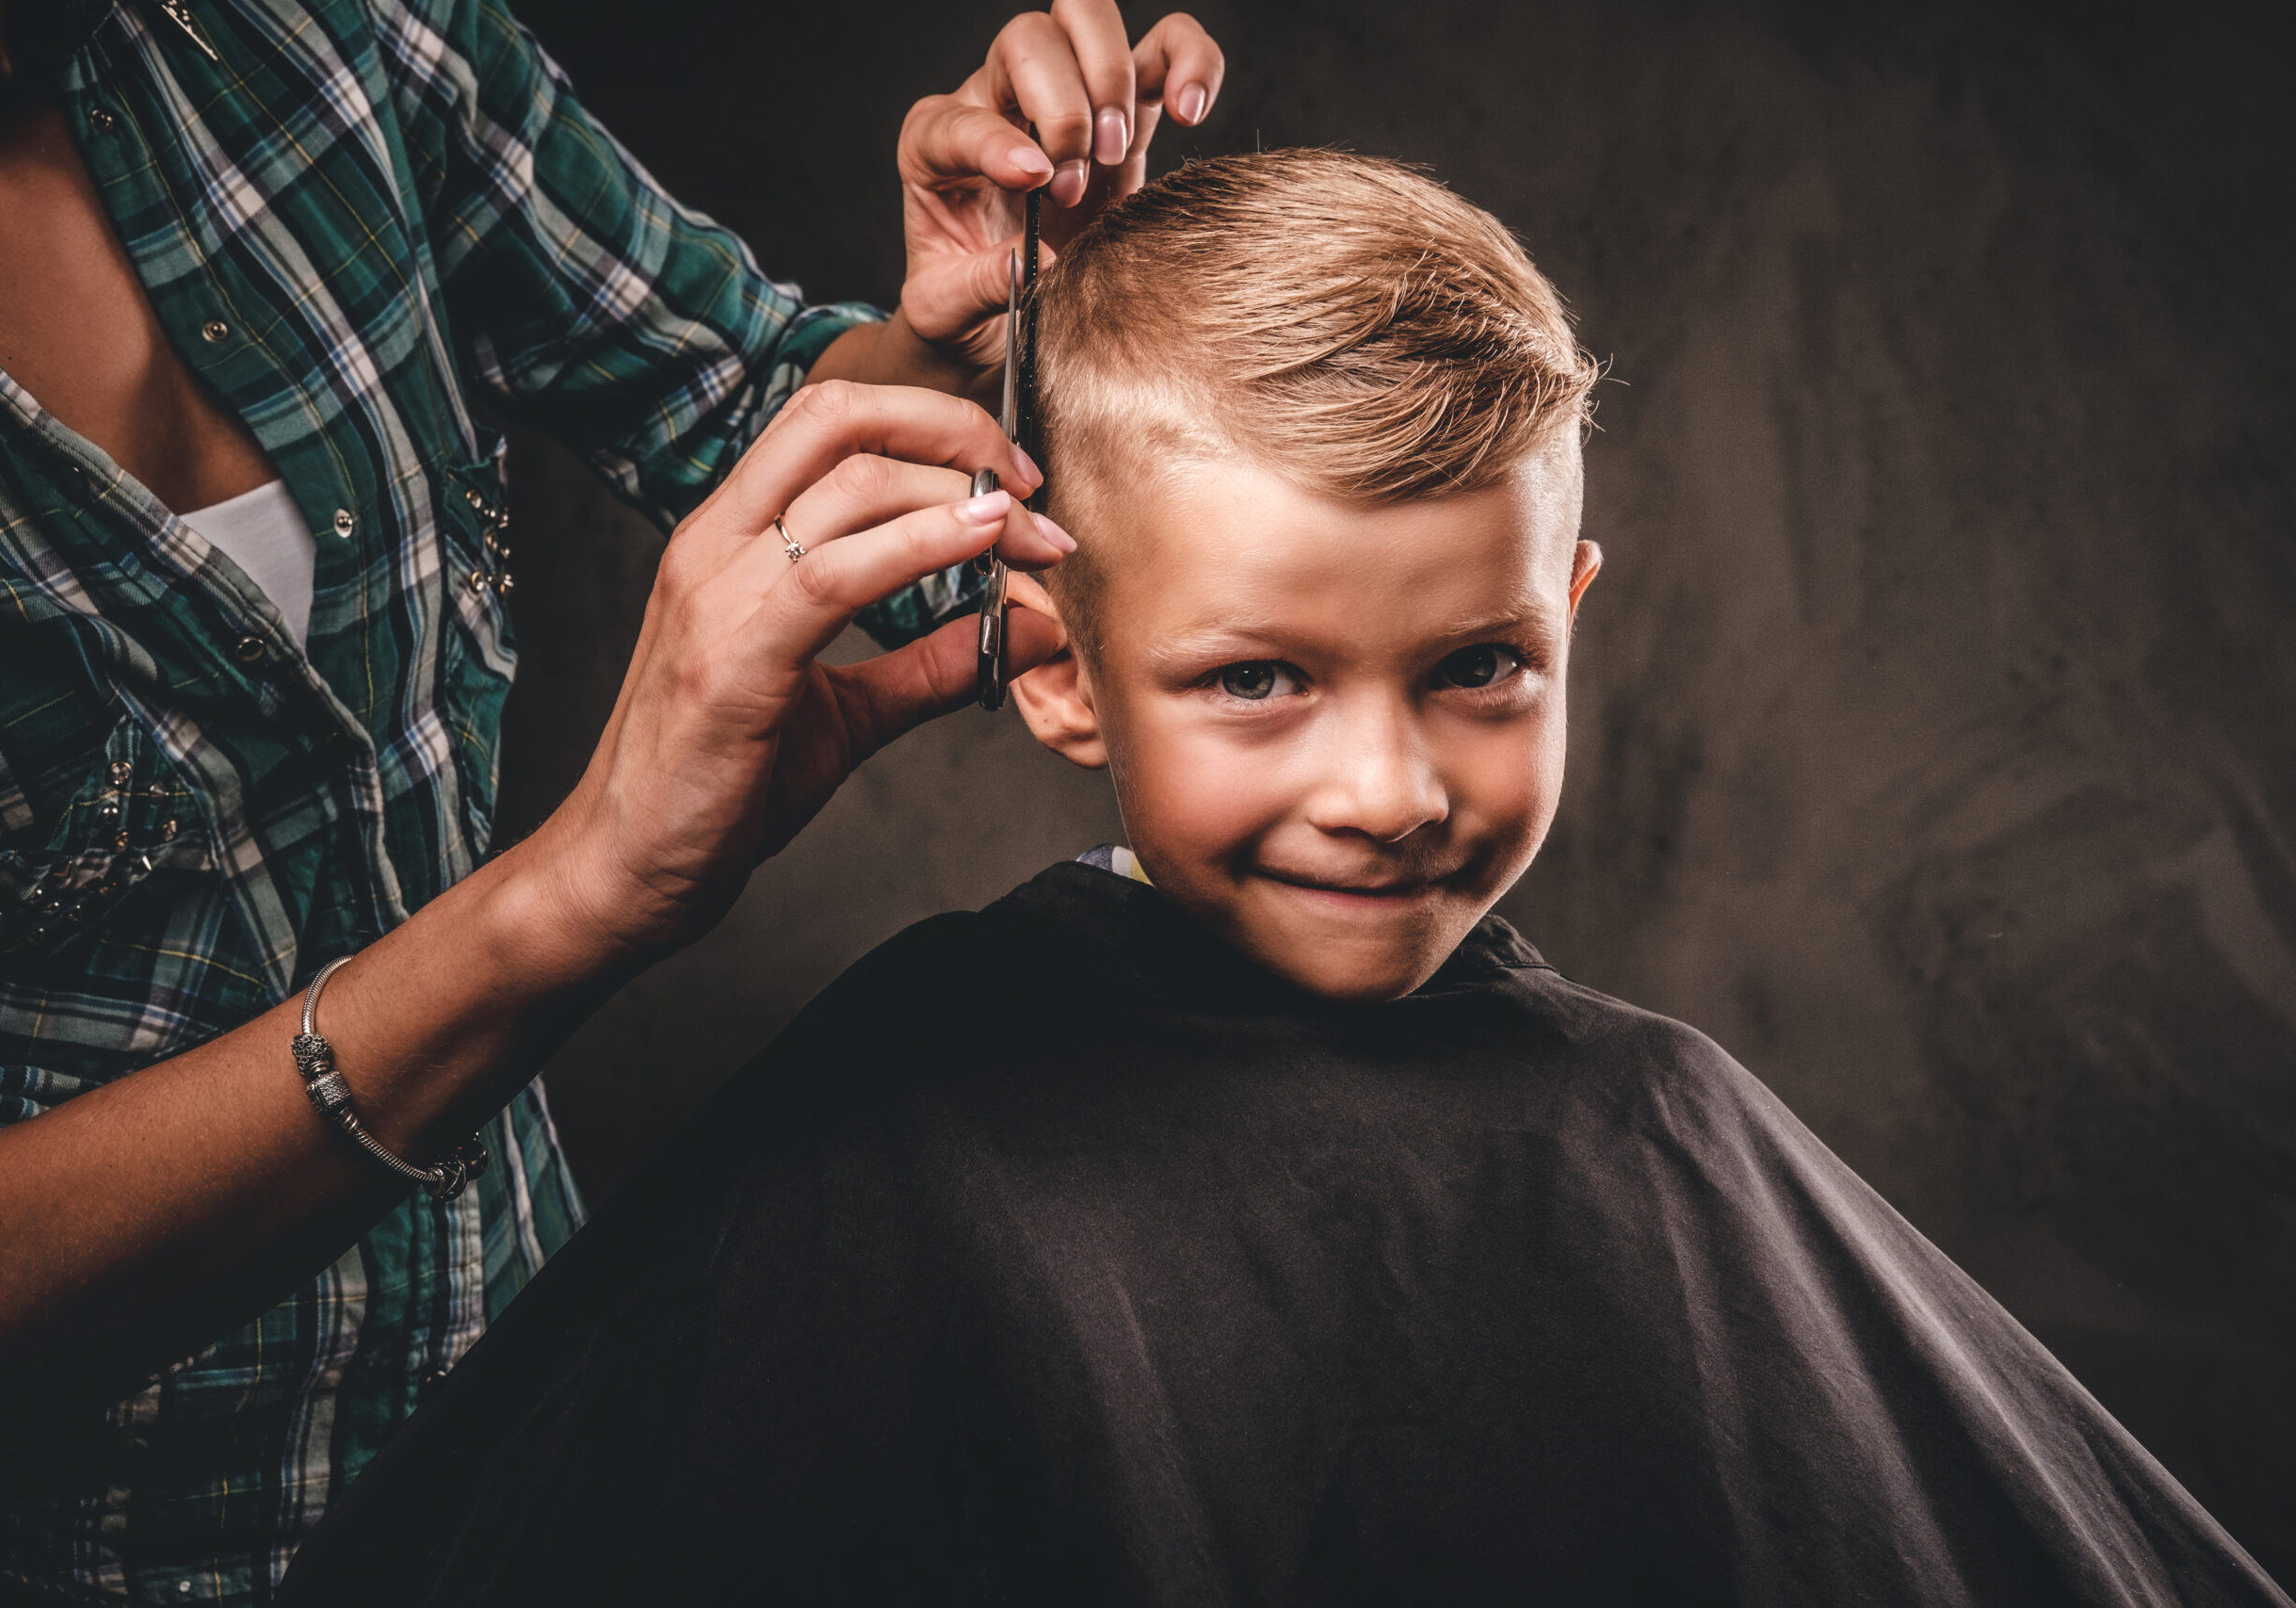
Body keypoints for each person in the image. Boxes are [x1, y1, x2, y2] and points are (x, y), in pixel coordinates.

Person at [276, 151, 2290, 1606]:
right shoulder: (908, 1140)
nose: (1389, 787)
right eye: (1257, 677)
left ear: (1568, 617)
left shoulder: (1657, 1121)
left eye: (1477, 667)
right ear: (1053, 666)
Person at [0, 0, 1225, 1600]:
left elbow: (751, 420)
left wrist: (965, 336)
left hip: (538, 1416)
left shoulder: (322, 35)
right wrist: (572, 899)